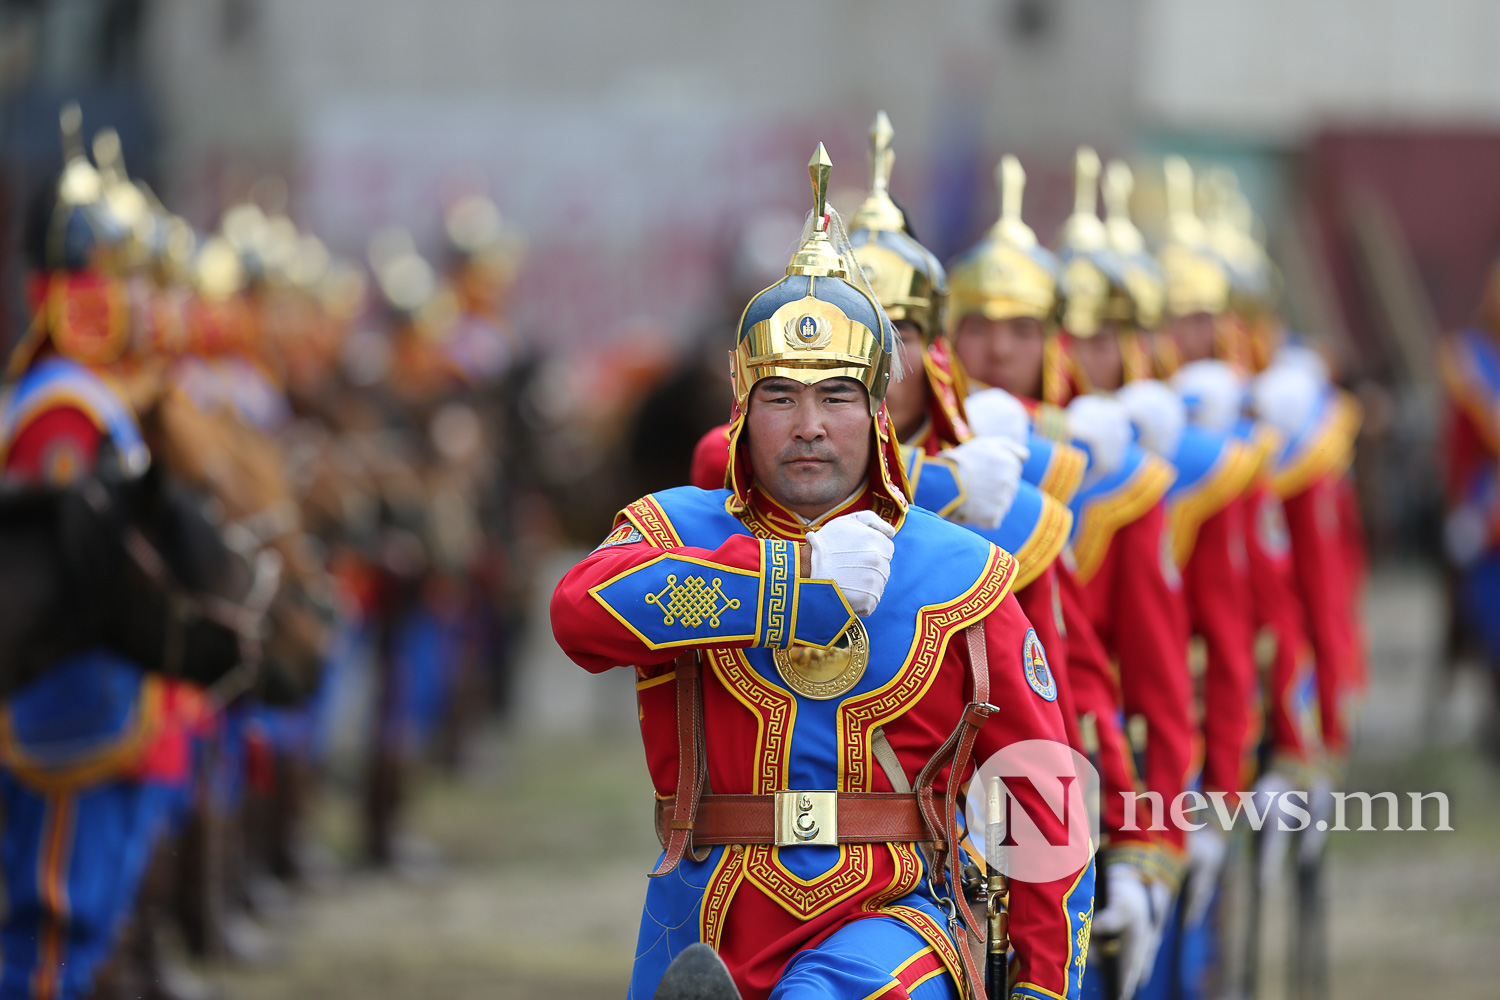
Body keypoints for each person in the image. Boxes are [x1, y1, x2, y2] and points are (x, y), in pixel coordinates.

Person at [552, 145, 1092, 1000]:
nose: (809, 425)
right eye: (781, 397)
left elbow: (1041, 780)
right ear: (742, 410)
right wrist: (788, 587)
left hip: (894, 909)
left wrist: (1046, 977)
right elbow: (578, 614)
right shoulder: (677, 528)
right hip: (705, 912)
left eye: (837, 396)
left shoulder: (961, 569)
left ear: (882, 408)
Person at [947, 154, 1193, 999]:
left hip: (1047, 771)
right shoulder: (895, 467)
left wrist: (1143, 836)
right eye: (976, 326)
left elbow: (1099, 670)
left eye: (1022, 328)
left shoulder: (1099, 470)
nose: (999, 347)